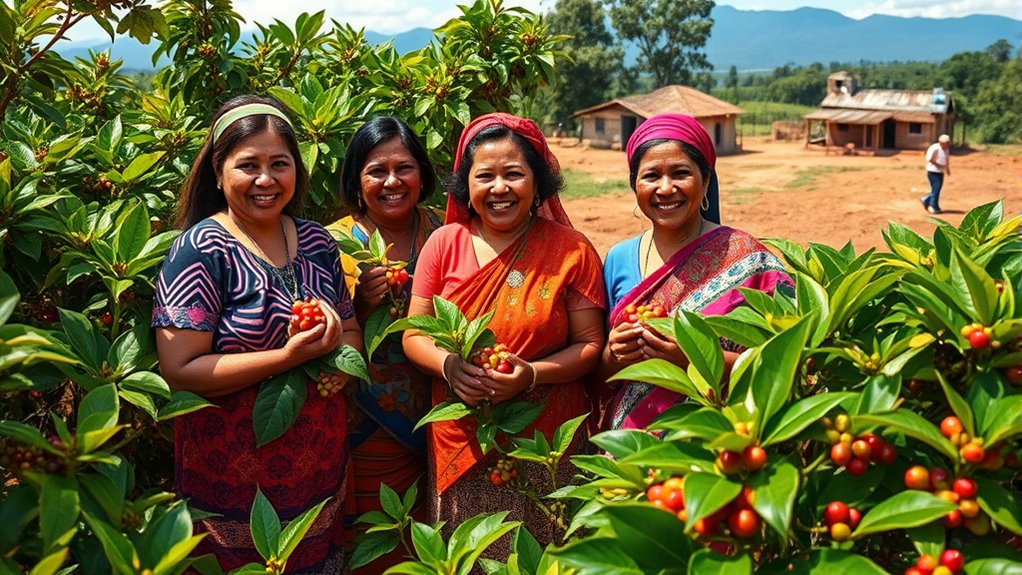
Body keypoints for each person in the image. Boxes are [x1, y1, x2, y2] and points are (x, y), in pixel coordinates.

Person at [152, 95, 361, 573]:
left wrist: (338, 360)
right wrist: (288, 357)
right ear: (218, 169)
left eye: (279, 164)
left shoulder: (316, 240)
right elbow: (180, 370)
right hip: (229, 488)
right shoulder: (201, 248)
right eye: (248, 165)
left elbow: (350, 331)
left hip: (318, 476)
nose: (266, 180)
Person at [402, 113, 606, 549]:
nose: (499, 189)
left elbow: (590, 346)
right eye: (485, 176)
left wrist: (530, 374)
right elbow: (413, 335)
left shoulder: (572, 250)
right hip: (463, 441)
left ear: (538, 182)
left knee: (549, 550)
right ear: (466, 185)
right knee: (473, 551)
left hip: (547, 443)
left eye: (514, 174)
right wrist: (450, 366)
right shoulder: (443, 243)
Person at [600, 113, 793, 431]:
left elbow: (784, 365)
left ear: (705, 181)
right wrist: (614, 354)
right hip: (629, 457)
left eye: (680, 173)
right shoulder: (618, 259)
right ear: (635, 184)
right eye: (650, 176)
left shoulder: (747, 259)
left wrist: (693, 358)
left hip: (717, 449)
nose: (665, 188)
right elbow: (601, 376)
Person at [326, 116, 443, 571]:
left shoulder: (447, 232)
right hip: (369, 427)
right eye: (376, 171)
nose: (392, 181)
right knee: (377, 545)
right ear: (357, 180)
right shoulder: (332, 244)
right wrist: (360, 306)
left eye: (405, 167)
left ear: (422, 174)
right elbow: (315, 334)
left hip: (446, 413)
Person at [921, 134, 951, 215]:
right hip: (933, 171)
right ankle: (932, 205)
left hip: (940, 172)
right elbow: (929, 159)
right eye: (946, 143)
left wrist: (947, 169)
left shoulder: (946, 149)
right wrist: (940, 165)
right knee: (936, 188)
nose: (948, 144)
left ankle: (927, 200)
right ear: (941, 142)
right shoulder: (934, 148)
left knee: (937, 189)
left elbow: (946, 160)